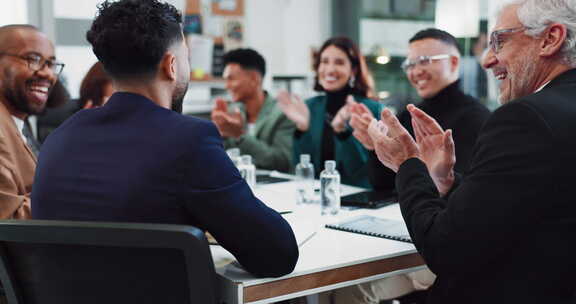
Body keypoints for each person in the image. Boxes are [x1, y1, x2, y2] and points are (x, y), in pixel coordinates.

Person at [31, 0, 298, 278]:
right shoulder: (190, 139)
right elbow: (278, 254)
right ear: (171, 65)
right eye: (186, 56)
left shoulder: (59, 138)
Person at [367, 0, 576, 303]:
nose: (487, 60)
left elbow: (444, 250)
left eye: (499, 42)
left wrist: (408, 164)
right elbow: (520, 206)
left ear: (550, 39)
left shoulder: (525, 118)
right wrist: (447, 181)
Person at [350, 28, 490, 191]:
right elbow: (383, 185)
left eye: (424, 61)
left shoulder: (477, 119)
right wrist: (376, 148)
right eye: (410, 64)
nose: (416, 72)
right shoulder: (408, 115)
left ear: (453, 62)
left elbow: (468, 193)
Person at [278, 37, 381, 187]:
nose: (330, 69)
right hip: (318, 198)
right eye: (324, 61)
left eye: (339, 63)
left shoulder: (371, 109)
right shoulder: (310, 107)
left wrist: (341, 131)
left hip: (358, 199)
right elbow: (300, 168)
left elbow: (361, 173)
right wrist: (302, 129)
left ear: (353, 70)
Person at [0, 24, 63, 219]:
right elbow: (8, 219)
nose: (47, 74)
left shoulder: (18, 123)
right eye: (33, 59)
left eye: (51, 64)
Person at [211, 48, 294, 172]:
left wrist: (239, 136)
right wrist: (220, 133)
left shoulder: (283, 113)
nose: (226, 86)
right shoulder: (233, 111)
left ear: (254, 79)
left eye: (231, 79)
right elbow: (220, 158)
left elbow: (282, 162)